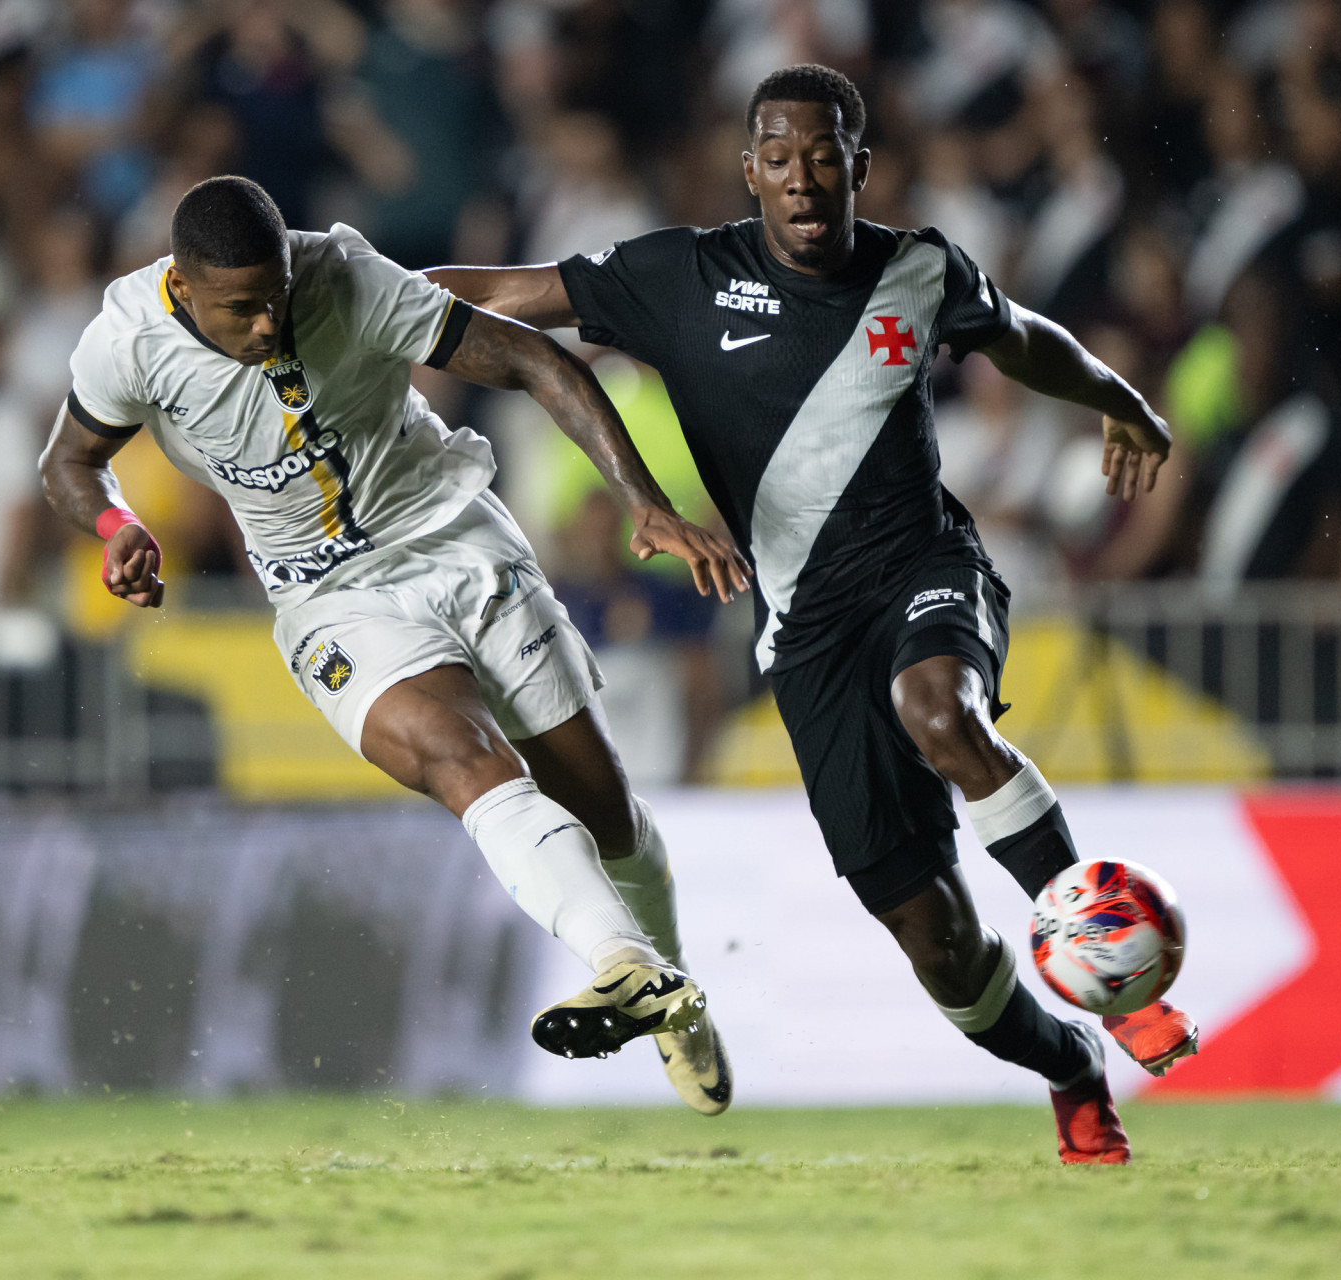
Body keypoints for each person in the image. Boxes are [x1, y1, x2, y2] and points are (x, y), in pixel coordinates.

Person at [430, 64, 1193, 1164]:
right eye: (780, 158)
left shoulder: (920, 269)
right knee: (940, 949)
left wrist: (1118, 398)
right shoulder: (682, 278)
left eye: (825, 156)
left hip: (926, 564)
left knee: (941, 711)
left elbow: (1022, 336)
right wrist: (355, 303)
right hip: (805, 636)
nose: (803, 178)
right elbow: (508, 291)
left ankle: (1113, 973)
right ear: (750, 171)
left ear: (859, 166)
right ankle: (1071, 1059)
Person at [39, 176, 750, 1115]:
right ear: (183, 283)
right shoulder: (128, 341)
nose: (267, 324)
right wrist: (116, 526)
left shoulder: (347, 278)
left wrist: (642, 502)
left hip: (455, 537)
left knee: (606, 816)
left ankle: (673, 991)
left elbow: (535, 359)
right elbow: (70, 462)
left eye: (276, 296)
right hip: (328, 597)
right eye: (241, 309)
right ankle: (623, 962)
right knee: (463, 759)